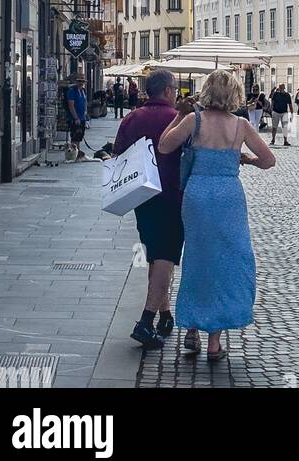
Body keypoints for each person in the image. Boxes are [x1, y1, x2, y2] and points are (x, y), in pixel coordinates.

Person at [159, 69, 275, 363]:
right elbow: (269, 160)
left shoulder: (192, 121)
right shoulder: (241, 125)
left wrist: (176, 116)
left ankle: (193, 328)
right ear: (234, 94)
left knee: (198, 259)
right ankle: (214, 342)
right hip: (228, 196)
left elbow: (164, 146)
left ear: (207, 92)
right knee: (229, 261)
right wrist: (244, 158)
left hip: (197, 194)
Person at [112, 68, 192, 350]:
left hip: (141, 198)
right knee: (165, 258)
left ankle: (165, 315)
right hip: (172, 197)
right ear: (169, 91)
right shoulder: (177, 119)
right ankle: (145, 322)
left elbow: (117, 155)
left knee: (156, 256)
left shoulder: (132, 118)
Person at [65, 74, 88, 161]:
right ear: (76, 82)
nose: (81, 83)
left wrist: (85, 112)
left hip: (82, 117)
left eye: (82, 81)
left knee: (79, 136)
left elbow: (85, 102)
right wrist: (75, 118)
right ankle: (72, 155)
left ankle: (77, 154)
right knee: (74, 137)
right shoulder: (72, 91)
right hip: (75, 118)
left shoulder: (83, 90)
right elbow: (71, 105)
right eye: (79, 81)